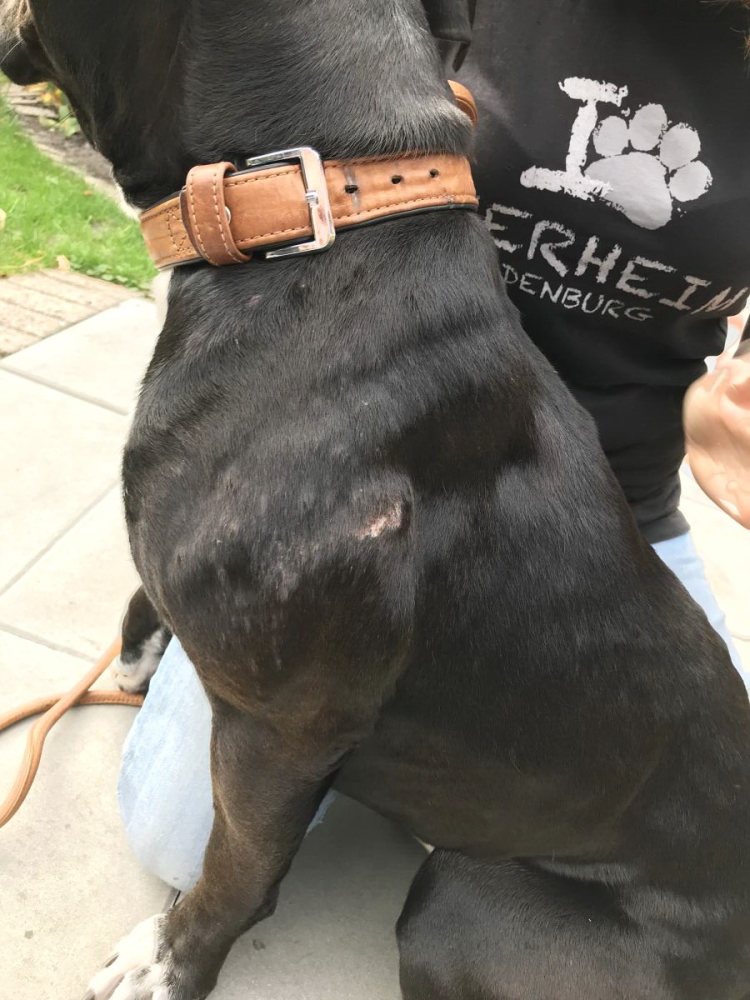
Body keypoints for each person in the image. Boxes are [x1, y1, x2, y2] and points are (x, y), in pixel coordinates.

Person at [120, 0, 750, 891]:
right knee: (180, 850)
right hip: (346, 465)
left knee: (719, 841)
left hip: (606, 519)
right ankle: (230, 595)